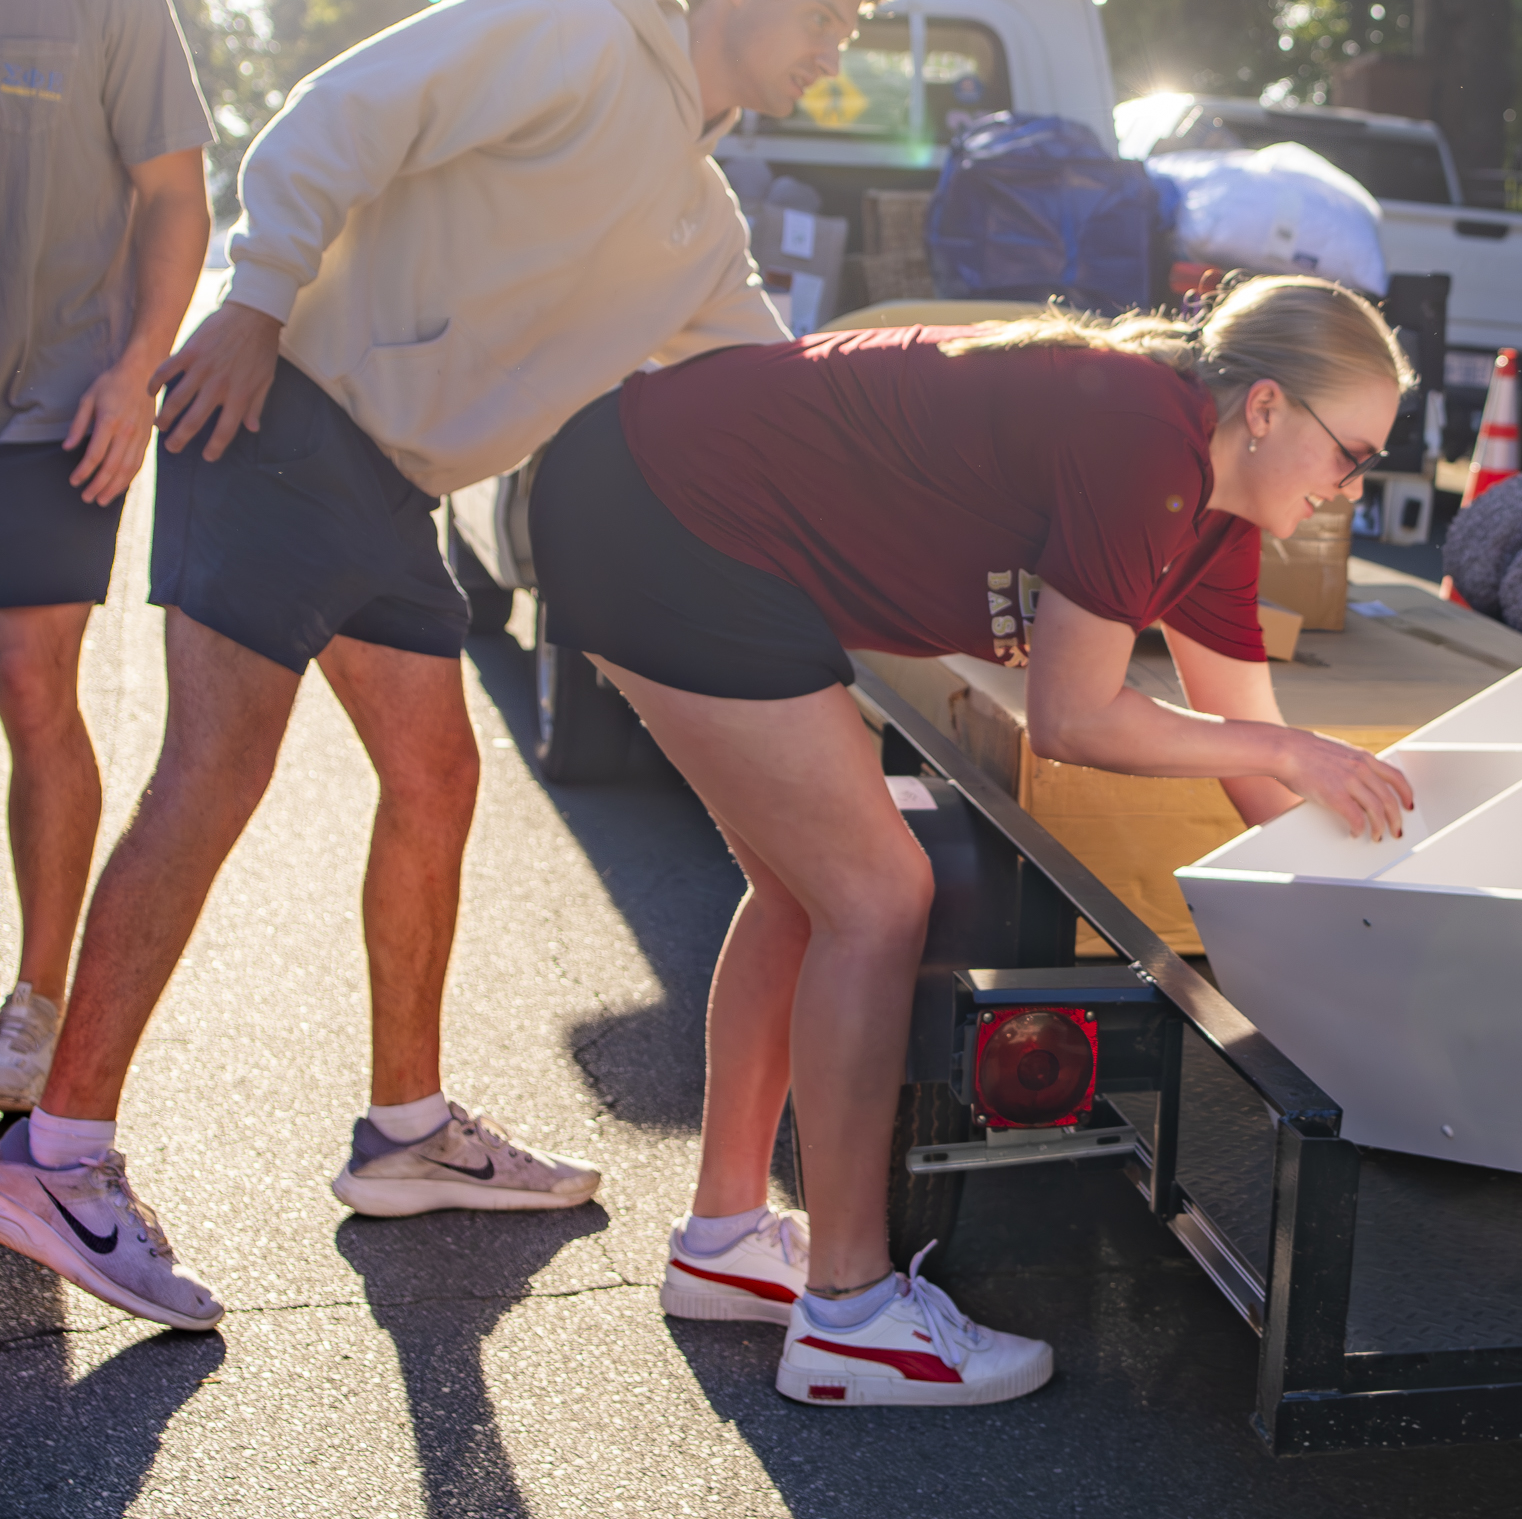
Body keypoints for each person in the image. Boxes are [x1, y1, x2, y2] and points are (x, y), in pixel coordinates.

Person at [0, 0, 884, 1334]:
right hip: (280, 410)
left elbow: (761, 392)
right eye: (819, 19)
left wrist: (921, 439)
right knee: (216, 769)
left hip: (386, 482)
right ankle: (60, 1154)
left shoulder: (697, 210)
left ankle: (406, 1133)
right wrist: (259, 296)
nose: (828, 53)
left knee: (438, 773)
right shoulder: (567, 37)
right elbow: (333, 120)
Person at [526, 274, 1416, 1408]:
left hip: (658, 504)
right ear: (1267, 409)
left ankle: (724, 1242)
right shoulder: (1141, 433)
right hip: (658, 511)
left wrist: (1371, 927)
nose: (1353, 487)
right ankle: (850, 1313)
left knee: (813, 895)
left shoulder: (1218, 525)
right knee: (877, 896)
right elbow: (1077, 717)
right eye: (1353, 453)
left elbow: (1253, 761)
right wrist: (1296, 759)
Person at [0, 0, 214, 1116]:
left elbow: (178, 199)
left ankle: (36, 999)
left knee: (30, 679)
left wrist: (138, 368)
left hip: (50, 400)